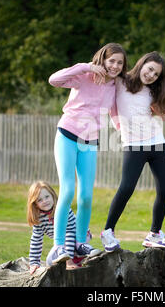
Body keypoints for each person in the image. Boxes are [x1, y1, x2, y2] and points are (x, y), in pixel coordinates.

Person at [101, 51, 165, 252]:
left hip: (157, 144)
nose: (151, 75)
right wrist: (117, 123)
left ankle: (154, 234)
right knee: (126, 188)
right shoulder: (121, 80)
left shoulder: (152, 92)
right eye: (150, 69)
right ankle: (108, 231)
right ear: (142, 63)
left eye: (156, 74)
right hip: (133, 146)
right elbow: (106, 91)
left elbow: (164, 114)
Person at [48, 43, 127, 262]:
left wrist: (124, 133)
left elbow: (114, 115)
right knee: (67, 190)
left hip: (89, 142)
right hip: (67, 135)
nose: (115, 65)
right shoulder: (84, 76)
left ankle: (81, 242)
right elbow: (54, 80)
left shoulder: (114, 87)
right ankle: (58, 246)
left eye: (119, 63)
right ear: (102, 59)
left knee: (85, 196)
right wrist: (86, 67)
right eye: (112, 60)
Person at [27, 181, 90, 274]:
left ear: (53, 195)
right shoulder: (38, 218)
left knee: (70, 261)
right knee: (51, 261)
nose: (44, 201)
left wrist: (69, 260)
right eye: (39, 200)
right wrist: (34, 262)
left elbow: (70, 233)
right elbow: (36, 240)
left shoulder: (64, 210)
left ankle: (80, 255)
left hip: (79, 237)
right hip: (63, 242)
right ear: (35, 204)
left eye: (47, 197)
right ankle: (74, 258)